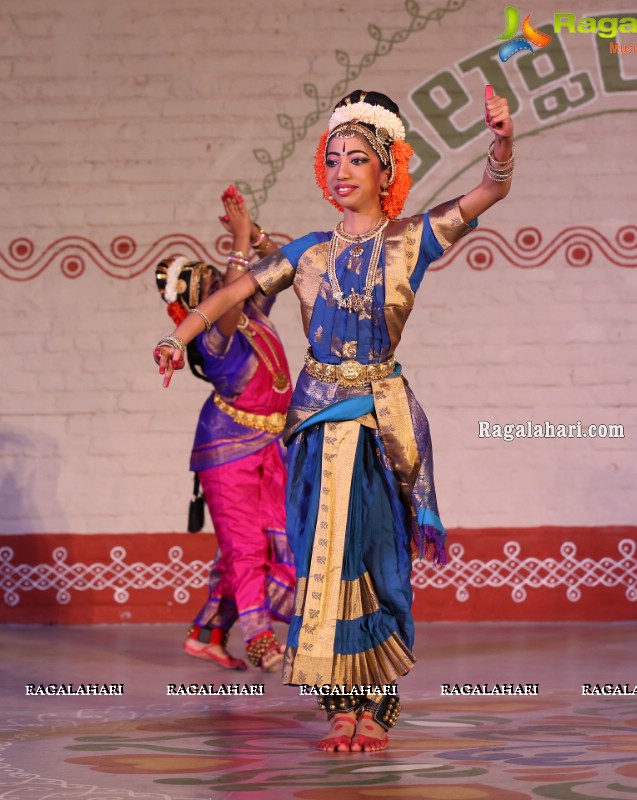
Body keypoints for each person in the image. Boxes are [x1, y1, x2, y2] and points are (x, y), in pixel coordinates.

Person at [154, 87, 514, 752]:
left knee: (380, 562)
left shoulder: (412, 242)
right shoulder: (309, 252)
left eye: (356, 158)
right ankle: (338, 705)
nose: (341, 170)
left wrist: (500, 143)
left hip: (378, 427)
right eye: (332, 158)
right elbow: (234, 292)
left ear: (386, 169)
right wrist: (181, 338)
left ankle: (378, 703)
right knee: (324, 568)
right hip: (316, 431)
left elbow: (488, 193)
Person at [159, 187, 297, 673]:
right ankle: (260, 638)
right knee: (245, 547)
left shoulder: (252, 318)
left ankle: (206, 634)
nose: (225, 284)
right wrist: (238, 242)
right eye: (213, 284)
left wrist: (254, 235)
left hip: (267, 446)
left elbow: (282, 271)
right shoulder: (214, 344)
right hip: (229, 451)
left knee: (271, 539)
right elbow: (230, 303)